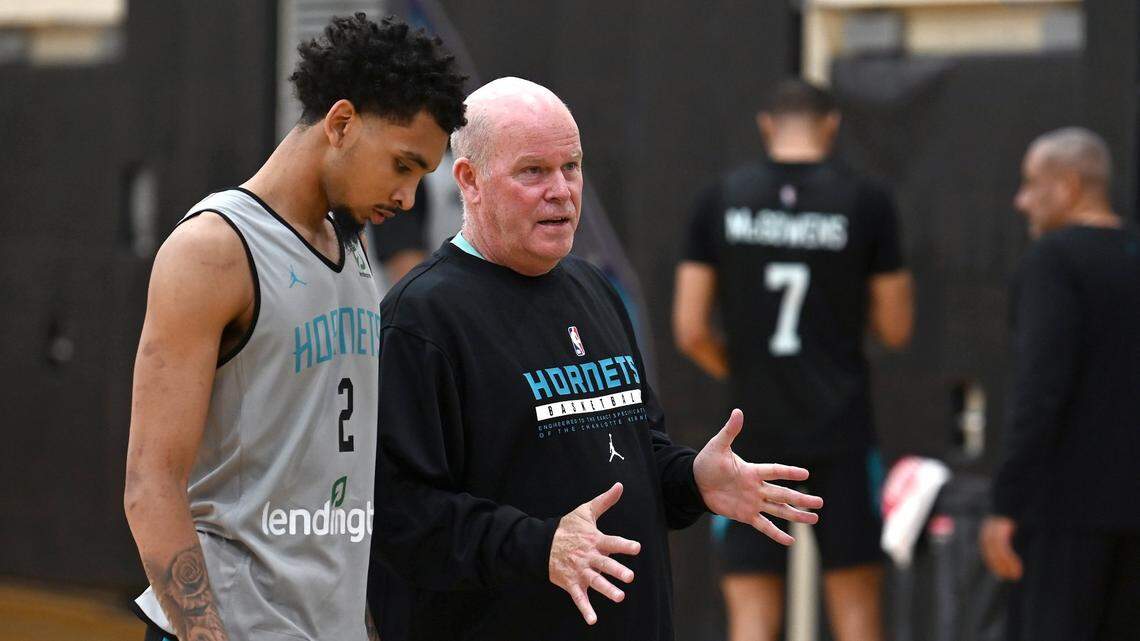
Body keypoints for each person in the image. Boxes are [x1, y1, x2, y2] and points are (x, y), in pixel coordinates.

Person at [368, 77, 824, 641]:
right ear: (470, 180)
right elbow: (400, 516)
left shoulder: (593, 289)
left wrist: (692, 481)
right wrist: (540, 546)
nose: (561, 190)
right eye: (533, 171)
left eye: (572, 167)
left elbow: (635, 450)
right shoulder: (420, 319)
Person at [122, 14, 466, 641]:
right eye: (402, 165)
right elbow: (150, 484)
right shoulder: (214, 249)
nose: (409, 198)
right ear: (341, 123)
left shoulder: (349, 242)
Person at [672, 79, 913, 641]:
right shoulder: (867, 201)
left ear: (766, 125)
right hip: (842, 429)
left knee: (752, 615)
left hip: (751, 431)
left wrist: (743, 370)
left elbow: (690, 328)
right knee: (856, 610)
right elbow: (896, 327)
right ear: (832, 125)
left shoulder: (720, 198)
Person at [980, 127, 1140, 641]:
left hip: (1067, 513)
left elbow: (1040, 388)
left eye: (1030, 184)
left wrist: (1007, 502)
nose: (1020, 200)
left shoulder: (1053, 259)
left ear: (1068, 186)